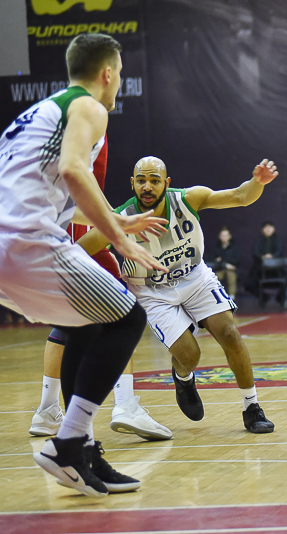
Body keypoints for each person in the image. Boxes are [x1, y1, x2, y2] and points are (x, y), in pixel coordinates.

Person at [0, 33, 167, 497]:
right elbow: (75, 171)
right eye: (121, 74)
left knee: (87, 325)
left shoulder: (40, 113)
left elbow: (61, 187)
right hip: (29, 241)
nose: (119, 83)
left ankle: (85, 450)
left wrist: (117, 220)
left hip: (9, 242)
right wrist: (119, 239)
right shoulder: (90, 107)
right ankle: (68, 443)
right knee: (128, 317)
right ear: (107, 73)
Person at [78, 156, 279, 434]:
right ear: (132, 183)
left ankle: (251, 406)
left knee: (230, 333)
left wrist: (258, 182)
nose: (147, 187)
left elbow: (240, 196)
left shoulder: (188, 199)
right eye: (141, 181)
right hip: (151, 291)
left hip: (194, 277)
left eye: (154, 180)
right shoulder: (121, 218)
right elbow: (77, 251)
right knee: (190, 355)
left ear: (167, 183)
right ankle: (183, 378)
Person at [30, 136, 173, 443]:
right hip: (69, 228)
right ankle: (124, 405)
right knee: (124, 314)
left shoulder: (72, 122)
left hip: (58, 226)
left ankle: (48, 410)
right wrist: (117, 223)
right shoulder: (87, 117)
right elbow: (74, 177)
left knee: (69, 324)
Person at [209, 226, 240, 300]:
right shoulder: (216, 248)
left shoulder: (234, 248)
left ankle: (232, 296)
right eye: (222, 236)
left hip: (232, 270)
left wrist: (223, 261)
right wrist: (224, 264)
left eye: (226, 236)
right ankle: (214, 296)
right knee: (214, 278)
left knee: (231, 275)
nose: (224, 238)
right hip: (219, 269)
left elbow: (236, 261)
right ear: (219, 237)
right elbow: (212, 261)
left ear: (230, 236)